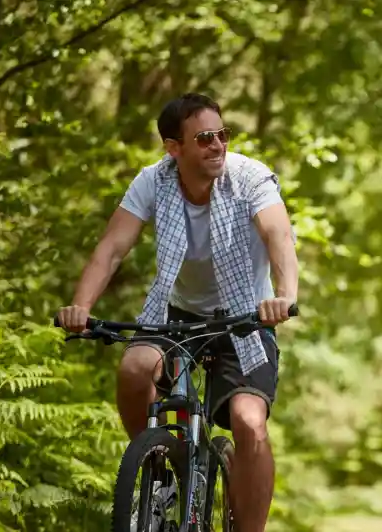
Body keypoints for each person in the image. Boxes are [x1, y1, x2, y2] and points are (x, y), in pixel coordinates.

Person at [56, 93, 298, 532]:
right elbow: (111, 250)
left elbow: (279, 236)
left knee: (248, 422)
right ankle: (163, 467)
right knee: (133, 371)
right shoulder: (153, 181)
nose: (218, 145)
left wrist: (284, 294)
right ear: (174, 147)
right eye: (204, 138)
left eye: (222, 134)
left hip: (245, 316)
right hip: (178, 314)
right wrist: (81, 306)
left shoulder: (250, 178)